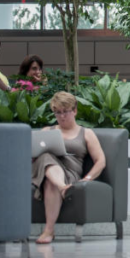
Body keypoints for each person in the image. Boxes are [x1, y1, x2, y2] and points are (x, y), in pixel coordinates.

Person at [32, 91, 106, 244]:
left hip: (71, 175)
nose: (62, 116)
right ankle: (63, 189)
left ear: (74, 111)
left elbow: (100, 161)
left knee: (50, 183)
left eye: (65, 112)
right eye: (57, 112)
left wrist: (87, 178)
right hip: (46, 171)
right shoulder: (47, 131)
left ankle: (49, 231)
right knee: (46, 160)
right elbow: (33, 155)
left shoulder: (86, 133)